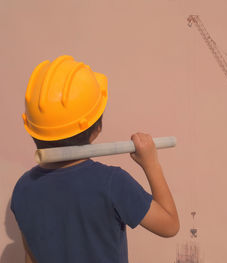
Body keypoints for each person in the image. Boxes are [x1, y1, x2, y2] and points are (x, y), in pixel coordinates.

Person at [11, 55, 179, 263]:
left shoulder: (23, 188)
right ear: (96, 129)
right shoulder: (112, 183)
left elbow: (31, 257)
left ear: (32, 130)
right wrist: (151, 163)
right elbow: (170, 225)